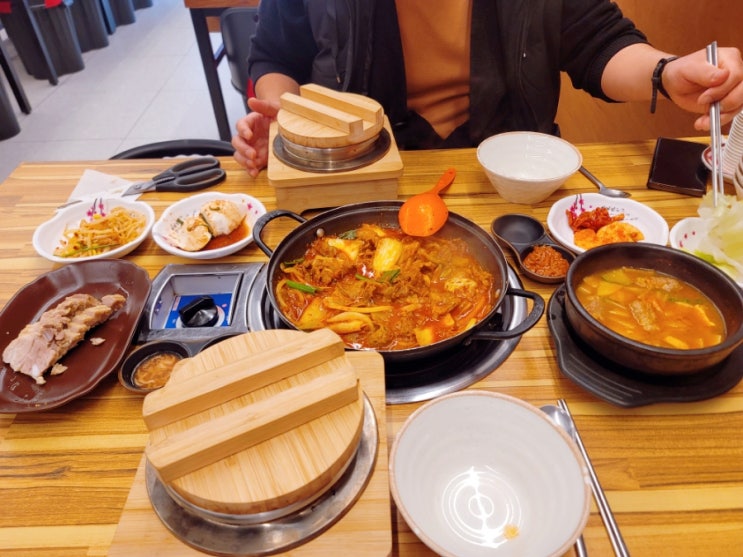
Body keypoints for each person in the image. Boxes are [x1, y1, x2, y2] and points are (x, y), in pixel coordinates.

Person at [232, 0, 743, 177]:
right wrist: (285, 121)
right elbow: (276, 57)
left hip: (509, 176)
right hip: (365, 173)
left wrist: (665, 73)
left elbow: (598, 41)